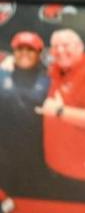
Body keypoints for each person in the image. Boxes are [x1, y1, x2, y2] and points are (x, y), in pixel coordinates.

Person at [34, 28, 85, 182]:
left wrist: (60, 111)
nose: (60, 51)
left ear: (80, 47)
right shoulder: (58, 69)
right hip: (60, 165)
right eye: (55, 46)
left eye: (66, 45)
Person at [0, 31, 51, 195]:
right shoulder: (1, 75)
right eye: (20, 49)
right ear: (13, 51)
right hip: (4, 154)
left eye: (30, 49)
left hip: (35, 155)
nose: (24, 53)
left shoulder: (49, 80)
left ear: (39, 53)